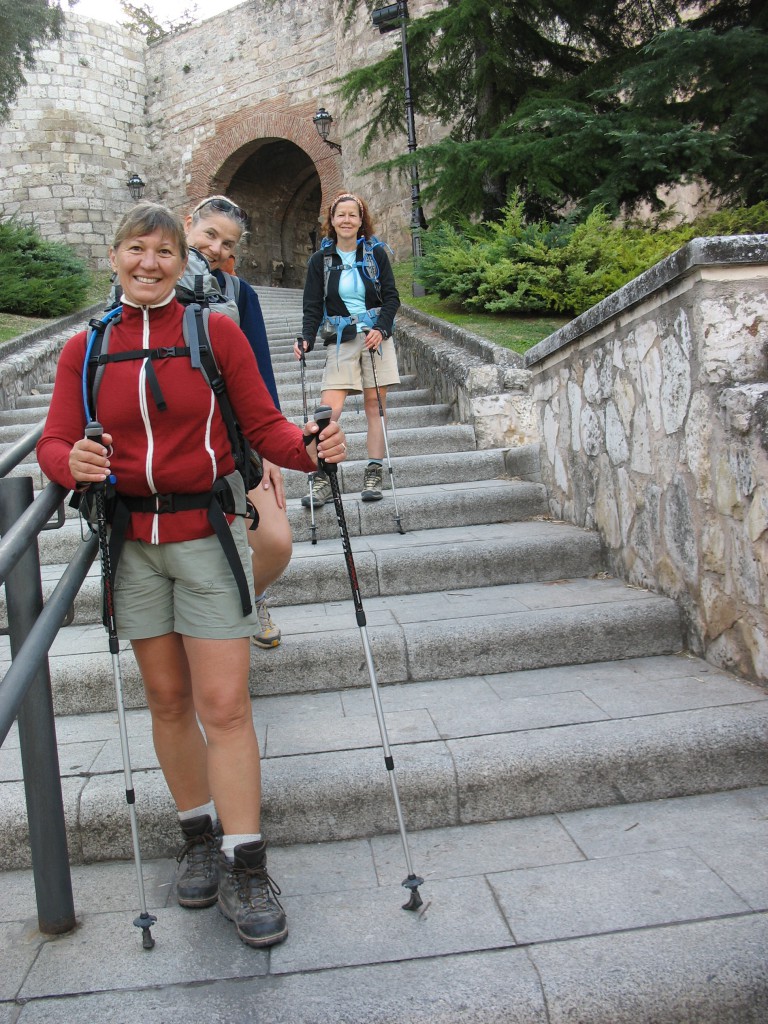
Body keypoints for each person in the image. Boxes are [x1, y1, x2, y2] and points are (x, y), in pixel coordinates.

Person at [37, 202, 347, 949]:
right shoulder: (85, 348)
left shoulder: (216, 330)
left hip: (208, 537)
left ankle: (247, 862)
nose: (150, 263)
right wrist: (68, 463)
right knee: (169, 700)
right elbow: (54, 441)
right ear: (113, 256)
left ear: (185, 263)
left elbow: (264, 424)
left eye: (165, 253)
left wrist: (310, 448)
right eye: (137, 250)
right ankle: (196, 837)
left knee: (224, 704)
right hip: (131, 543)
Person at [184, 195, 286, 650]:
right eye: (209, 235)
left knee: (276, 542)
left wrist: (274, 449)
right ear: (188, 225)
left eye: (227, 243)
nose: (216, 248)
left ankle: (254, 595)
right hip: (181, 443)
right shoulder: (151, 284)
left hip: (239, 439)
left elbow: (262, 372)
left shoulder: (240, 293)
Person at [294, 192, 400, 505]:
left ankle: (374, 471)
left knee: (374, 407)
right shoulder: (320, 261)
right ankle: (323, 476)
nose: (347, 220)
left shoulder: (375, 254)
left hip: (374, 338)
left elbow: (391, 298)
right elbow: (312, 306)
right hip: (340, 337)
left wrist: (382, 328)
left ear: (360, 220)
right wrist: (306, 338)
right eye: (341, 215)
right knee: (328, 412)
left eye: (353, 215)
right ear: (332, 220)